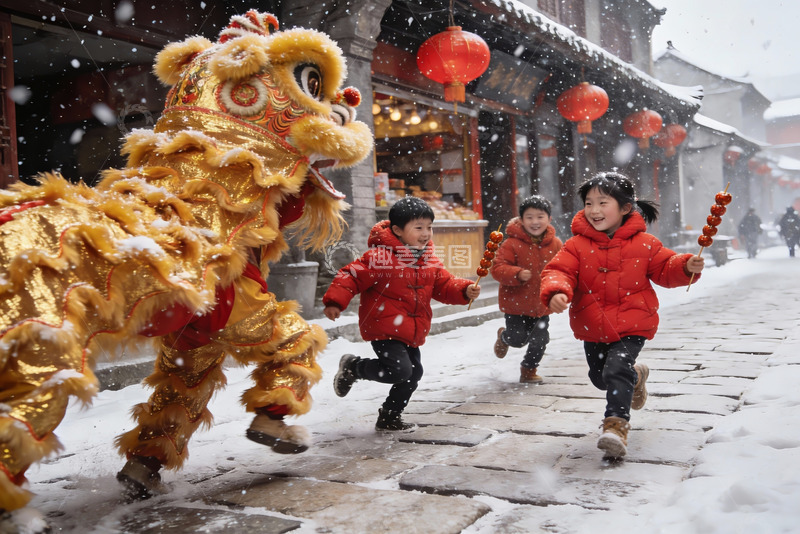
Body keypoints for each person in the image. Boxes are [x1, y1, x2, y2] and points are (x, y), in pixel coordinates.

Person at [540, 172, 704, 460]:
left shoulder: (645, 243)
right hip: (593, 325)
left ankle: (615, 427)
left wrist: (686, 266)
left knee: (616, 369)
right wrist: (556, 290)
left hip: (633, 323)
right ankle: (637, 376)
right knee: (600, 377)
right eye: (589, 203)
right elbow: (559, 270)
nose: (594, 210)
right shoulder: (576, 245)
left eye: (603, 202)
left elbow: (666, 268)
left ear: (625, 208)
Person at [323, 197, 481, 430]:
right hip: (384, 325)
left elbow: (444, 285)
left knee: (413, 374)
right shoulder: (380, 257)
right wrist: (335, 301)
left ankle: (389, 416)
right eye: (418, 228)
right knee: (399, 371)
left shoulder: (429, 260)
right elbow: (351, 276)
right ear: (397, 230)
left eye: (429, 227)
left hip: (412, 328)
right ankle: (353, 367)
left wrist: (464, 290)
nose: (426, 233)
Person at [490, 195, 563, 383]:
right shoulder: (511, 243)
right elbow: (497, 268)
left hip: (541, 303)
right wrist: (516, 273)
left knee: (540, 340)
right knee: (518, 339)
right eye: (529, 217)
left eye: (540, 217)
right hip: (516, 304)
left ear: (549, 219)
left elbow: (563, 268)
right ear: (521, 220)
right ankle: (504, 337)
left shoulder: (555, 244)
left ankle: (529, 369)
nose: (535, 222)